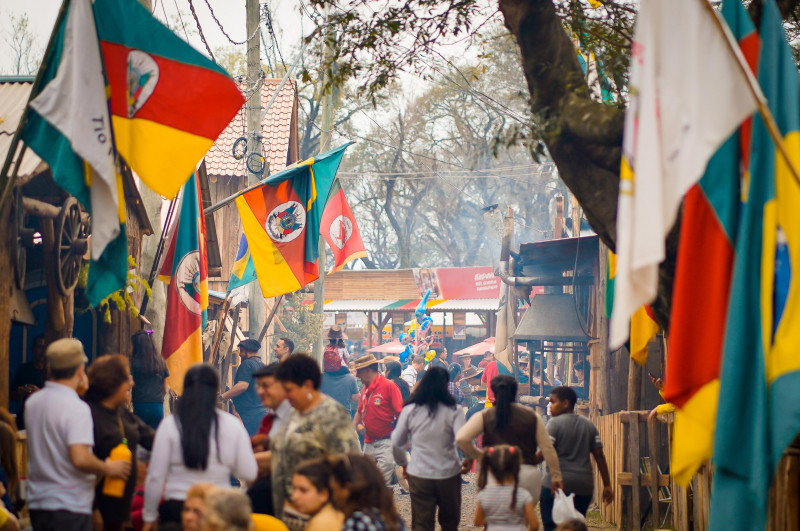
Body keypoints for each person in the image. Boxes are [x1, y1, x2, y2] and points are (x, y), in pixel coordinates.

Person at [26, 338, 131, 531]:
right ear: (80, 370)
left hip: (37, 504)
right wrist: (109, 468)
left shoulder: (33, 403)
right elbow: (80, 459)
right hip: (69, 506)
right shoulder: (77, 408)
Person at [143, 364, 257, 530]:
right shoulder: (231, 425)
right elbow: (249, 472)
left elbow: (155, 477)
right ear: (215, 391)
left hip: (177, 510)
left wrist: (150, 516)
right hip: (217, 510)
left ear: (186, 389)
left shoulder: (170, 425)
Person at [271, 354, 360, 529]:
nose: (285, 396)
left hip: (315, 520)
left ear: (308, 386)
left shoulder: (330, 417)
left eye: (288, 389)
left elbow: (345, 471)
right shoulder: (296, 413)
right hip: (288, 516)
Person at [457, 375, 562, 504]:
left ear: (493, 392)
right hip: (527, 474)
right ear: (516, 392)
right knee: (522, 519)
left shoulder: (485, 415)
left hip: (494, 474)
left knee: (494, 519)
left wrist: (479, 456)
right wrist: (556, 476)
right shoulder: (531, 416)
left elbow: (462, 439)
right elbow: (547, 447)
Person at [84, 355, 155, 531]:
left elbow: (153, 440)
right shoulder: (87, 414)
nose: (132, 383)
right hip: (98, 512)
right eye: (127, 378)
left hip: (121, 510)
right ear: (112, 383)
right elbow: (80, 466)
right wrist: (94, 510)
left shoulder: (121, 413)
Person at [391, 366, 466, 531]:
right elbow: (463, 439)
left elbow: (397, 442)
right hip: (449, 473)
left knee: (422, 523)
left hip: (419, 473)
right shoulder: (455, 410)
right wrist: (469, 460)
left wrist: (404, 464)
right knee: (449, 522)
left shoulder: (410, 409)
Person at [539, 387, 613, 531]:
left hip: (555, 485)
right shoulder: (588, 425)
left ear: (566, 403)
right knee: (577, 526)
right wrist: (607, 485)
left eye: (553, 402)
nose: (550, 406)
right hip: (583, 486)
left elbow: (543, 452)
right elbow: (599, 456)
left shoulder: (554, 424)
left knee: (551, 526)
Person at [249, 363, 294, 515]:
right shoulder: (269, 420)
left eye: (266, 386)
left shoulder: (299, 417)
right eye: (258, 387)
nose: (261, 391)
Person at [352, 354, 404, 486]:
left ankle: (380, 505)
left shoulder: (389, 386)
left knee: (380, 483)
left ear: (368, 370)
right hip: (368, 443)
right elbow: (359, 412)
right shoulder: (365, 388)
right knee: (367, 482)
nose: (357, 376)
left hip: (386, 442)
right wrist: (350, 431)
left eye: (359, 372)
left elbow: (400, 414)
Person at [328, 454, 405, 531]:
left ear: (347, 489)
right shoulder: (393, 518)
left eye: (334, 490)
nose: (333, 496)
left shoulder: (357, 522)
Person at [475, 445, 538, 531]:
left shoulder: (484, 495)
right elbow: (534, 525)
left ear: (490, 470)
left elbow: (478, 522)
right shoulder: (523, 495)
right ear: (517, 468)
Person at [222, 338, 267, 436]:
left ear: (248, 351)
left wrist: (223, 397)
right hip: (261, 412)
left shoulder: (247, 364)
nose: (240, 354)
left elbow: (242, 386)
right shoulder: (261, 365)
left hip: (250, 415)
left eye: (242, 351)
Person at [130, 329, 170, 429]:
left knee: (140, 438)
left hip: (140, 406)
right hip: (157, 407)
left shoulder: (134, 363)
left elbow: (129, 384)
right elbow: (165, 389)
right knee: (155, 440)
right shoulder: (161, 362)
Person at [291, 458, 344, 530]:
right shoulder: (334, 515)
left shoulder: (321, 525)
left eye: (303, 490)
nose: (294, 496)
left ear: (323, 495)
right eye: (294, 489)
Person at [10, 334, 47, 429]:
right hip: (25, 419)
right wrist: (20, 392)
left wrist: (39, 393)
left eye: (45, 347)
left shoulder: (52, 373)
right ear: (32, 349)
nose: (43, 351)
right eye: (39, 347)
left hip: (45, 419)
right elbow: (11, 395)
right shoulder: (24, 369)